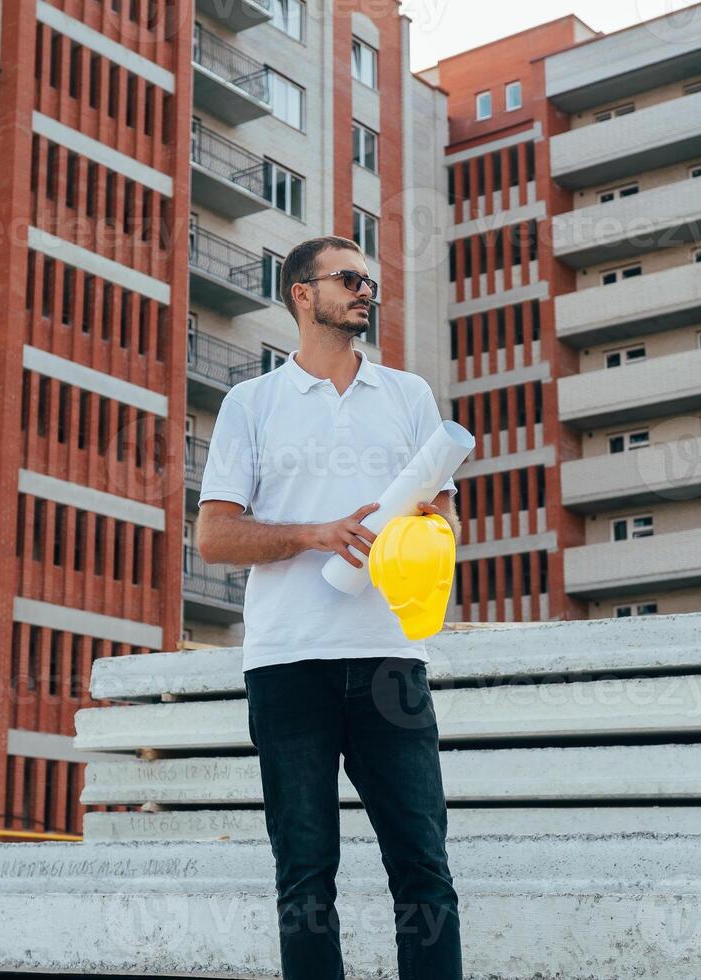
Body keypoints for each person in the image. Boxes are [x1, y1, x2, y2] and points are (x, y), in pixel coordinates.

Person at [194, 235, 464, 980]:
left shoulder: (408, 396)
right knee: (305, 874)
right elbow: (213, 537)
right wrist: (316, 533)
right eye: (349, 279)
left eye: (369, 281)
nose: (365, 291)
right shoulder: (252, 404)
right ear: (301, 294)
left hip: (388, 660)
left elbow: (443, 516)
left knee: (422, 865)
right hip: (288, 664)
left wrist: (423, 533)